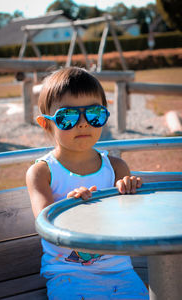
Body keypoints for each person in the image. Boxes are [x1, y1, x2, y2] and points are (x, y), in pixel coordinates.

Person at [26, 67, 149, 299]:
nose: (83, 124)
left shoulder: (116, 167)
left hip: (119, 270)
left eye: (94, 114)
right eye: (68, 117)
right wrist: (69, 208)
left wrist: (132, 196)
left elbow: (131, 224)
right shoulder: (42, 172)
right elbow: (44, 221)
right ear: (46, 123)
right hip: (67, 272)